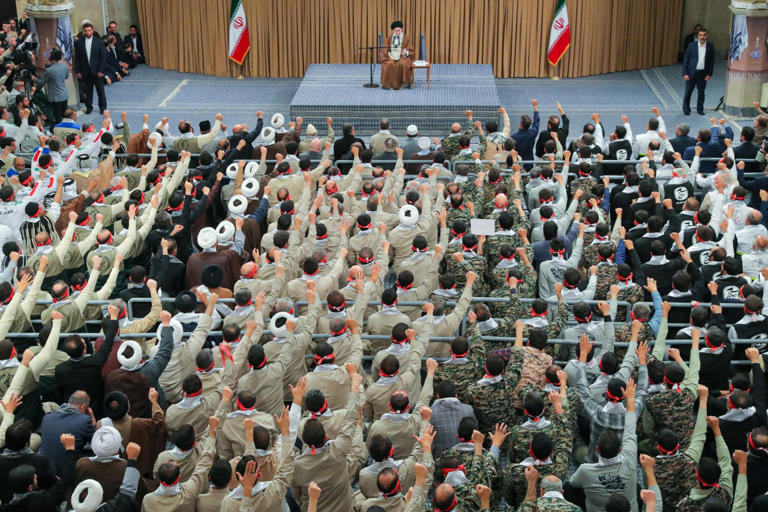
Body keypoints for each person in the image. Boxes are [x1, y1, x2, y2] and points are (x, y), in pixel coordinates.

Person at [74, 21, 108, 114]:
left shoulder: (99, 42)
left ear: (92, 31)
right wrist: (78, 71)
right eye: (86, 30)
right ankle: (89, 107)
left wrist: (101, 70)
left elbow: (103, 57)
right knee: (88, 91)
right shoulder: (79, 43)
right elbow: (78, 58)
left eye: (89, 30)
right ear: (84, 31)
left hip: (97, 71)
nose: (88, 32)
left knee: (100, 91)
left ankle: (102, 107)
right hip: (86, 71)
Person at [681, 27, 714, 116]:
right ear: (698, 36)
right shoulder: (691, 46)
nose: (702, 37)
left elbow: (711, 62)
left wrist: (709, 74)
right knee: (688, 92)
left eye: (704, 35)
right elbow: (686, 60)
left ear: (707, 36)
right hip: (691, 73)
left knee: (701, 92)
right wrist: (685, 73)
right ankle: (686, 109)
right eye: (700, 35)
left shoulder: (710, 47)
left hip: (703, 74)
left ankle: (700, 109)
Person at [35, 48, 69, 125]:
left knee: (58, 118)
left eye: (49, 55)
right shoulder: (64, 66)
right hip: (64, 95)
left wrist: (33, 78)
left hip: (55, 97)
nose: (48, 56)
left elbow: (41, 83)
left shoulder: (49, 70)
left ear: (51, 57)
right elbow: (66, 77)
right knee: (66, 117)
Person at [380, 21, 413, 90]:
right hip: (391, 56)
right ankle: (388, 84)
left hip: (402, 57)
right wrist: (389, 55)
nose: (397, 32)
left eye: (399, 30)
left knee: (402, 64)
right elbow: (384, 48)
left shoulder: (406, 38)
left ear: (401, 30)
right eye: (396, 31)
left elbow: (410, 49)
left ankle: (403, 83)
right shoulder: (389, 37)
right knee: (388, 64)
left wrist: (406, 52)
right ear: (393, 31)